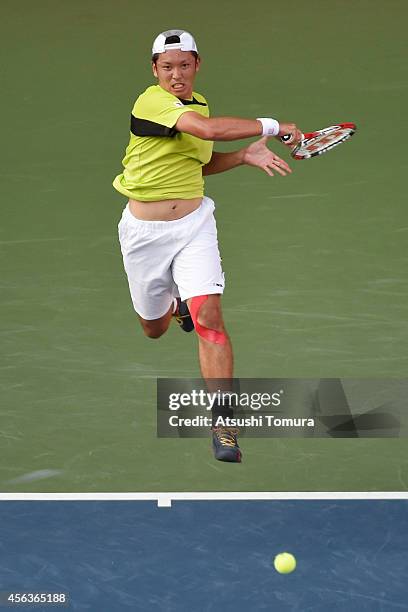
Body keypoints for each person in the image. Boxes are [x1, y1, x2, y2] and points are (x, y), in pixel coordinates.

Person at [113, 29, 301, 463]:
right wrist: (273, 125)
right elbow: (207, 130)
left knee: (210, 317)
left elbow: (198, 162)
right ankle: (173, 307)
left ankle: (223, 424)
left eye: (184, 65)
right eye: (167, 67)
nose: (176, 75)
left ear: (197, 64)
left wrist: (243, 156)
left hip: (195, 224)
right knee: (153, 329)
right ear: (154, 70)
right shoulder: (152, 103)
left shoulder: (199, 105)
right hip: (145, 235)